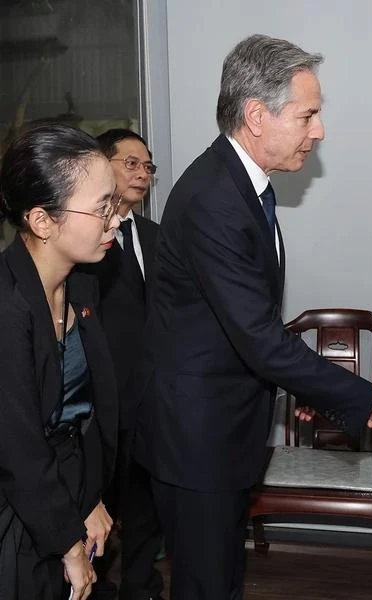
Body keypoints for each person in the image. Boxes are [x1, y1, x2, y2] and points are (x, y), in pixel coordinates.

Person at [132, 34, 372, 599]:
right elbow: (260, 339)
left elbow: (245, 324)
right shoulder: (216, 199)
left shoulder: (247, 186)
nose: (320, 130)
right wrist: (363, 399)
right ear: (256, 115)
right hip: (198, 440)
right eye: (308, 114)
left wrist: (297, 384)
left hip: (224, 429)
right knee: (207, 585)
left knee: (222, 580)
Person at [0, 123, 121, 599]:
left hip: (63, 501)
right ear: (42, 221)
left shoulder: (84, 283)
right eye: (100, 208)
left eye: (114, 203)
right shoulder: (7, 310)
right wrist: (68, 542)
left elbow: (78, 416)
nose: (115, 220)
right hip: (16, 520)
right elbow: (19, 448)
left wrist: (88, 498)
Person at [84, 129, 163, 600]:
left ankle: (140, 585)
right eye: (129, 163)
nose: (141, 174)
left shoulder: (157, 236)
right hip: (98, 395)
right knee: (96, 501)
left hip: (150, 392)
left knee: (144, 500)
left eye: (147, 167)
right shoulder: (86, 237)